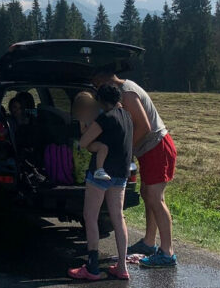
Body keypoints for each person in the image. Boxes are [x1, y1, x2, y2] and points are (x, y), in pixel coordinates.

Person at [92, 68, 177, 268]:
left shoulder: (127, 93)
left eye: (97, 84)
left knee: (155, 198)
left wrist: (125, 150)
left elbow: (144, 126)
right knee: (148, 194)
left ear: (104, 78)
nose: (97, 89)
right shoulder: (124, 90)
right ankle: (148, 242)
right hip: (149, 150)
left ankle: (167, 252)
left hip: (157, 147)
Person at [68, 85, 133, 281]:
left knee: (90, 217)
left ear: (102, 102)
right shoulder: (127, 117)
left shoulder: (106, 118)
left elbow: (83, 142)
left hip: (100, 174)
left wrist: (85, 128)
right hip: (121, 174)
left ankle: (92, 267)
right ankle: (122, 267)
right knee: (118, 218)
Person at [73, 92, 112, 181]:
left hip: (101, 139)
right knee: (103, 148)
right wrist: (92, 128)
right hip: (90, 142)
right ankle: (99, 170)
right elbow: (82, 131)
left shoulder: (98, 113)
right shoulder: (82, 117)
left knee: (106, 147)